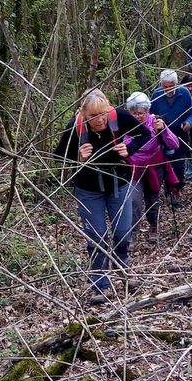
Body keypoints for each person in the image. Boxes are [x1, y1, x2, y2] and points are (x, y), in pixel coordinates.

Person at [53, 88, 147, 304]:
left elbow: (146, 134)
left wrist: (129, 150)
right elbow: (59, 156)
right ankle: (99, 283)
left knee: (123, 232)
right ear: (84, 114)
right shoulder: (74, 127)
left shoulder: (119, 117)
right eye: (93, 116)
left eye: (103, 113)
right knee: (97, 237)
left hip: (119, 185)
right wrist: (77, 156)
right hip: (88, 191)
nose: (100, 120)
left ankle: (124, 270)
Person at [124, 92, 180, 244]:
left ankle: (153, 226)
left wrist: (163, 130)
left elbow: (175, 144)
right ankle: (132, 230)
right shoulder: (125, 124)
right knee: (133, 200)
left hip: (155, 167)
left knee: (152, 199)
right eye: (134, 113)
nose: (137, 116)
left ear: (147, 111)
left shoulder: (155, 122)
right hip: (134, 167)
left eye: (140, 113)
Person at [150, 70, 192, 206]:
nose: (167, 89)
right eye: (165, 86)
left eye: (171, 86)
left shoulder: (184, 93)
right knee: (166, 162)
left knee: (178, 163)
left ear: (176, 84)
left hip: (180, 133)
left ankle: (177, 189)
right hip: (163, 133)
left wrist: (189, 123)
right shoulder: (156, 94)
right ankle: (168, 187)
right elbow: (150, 115)